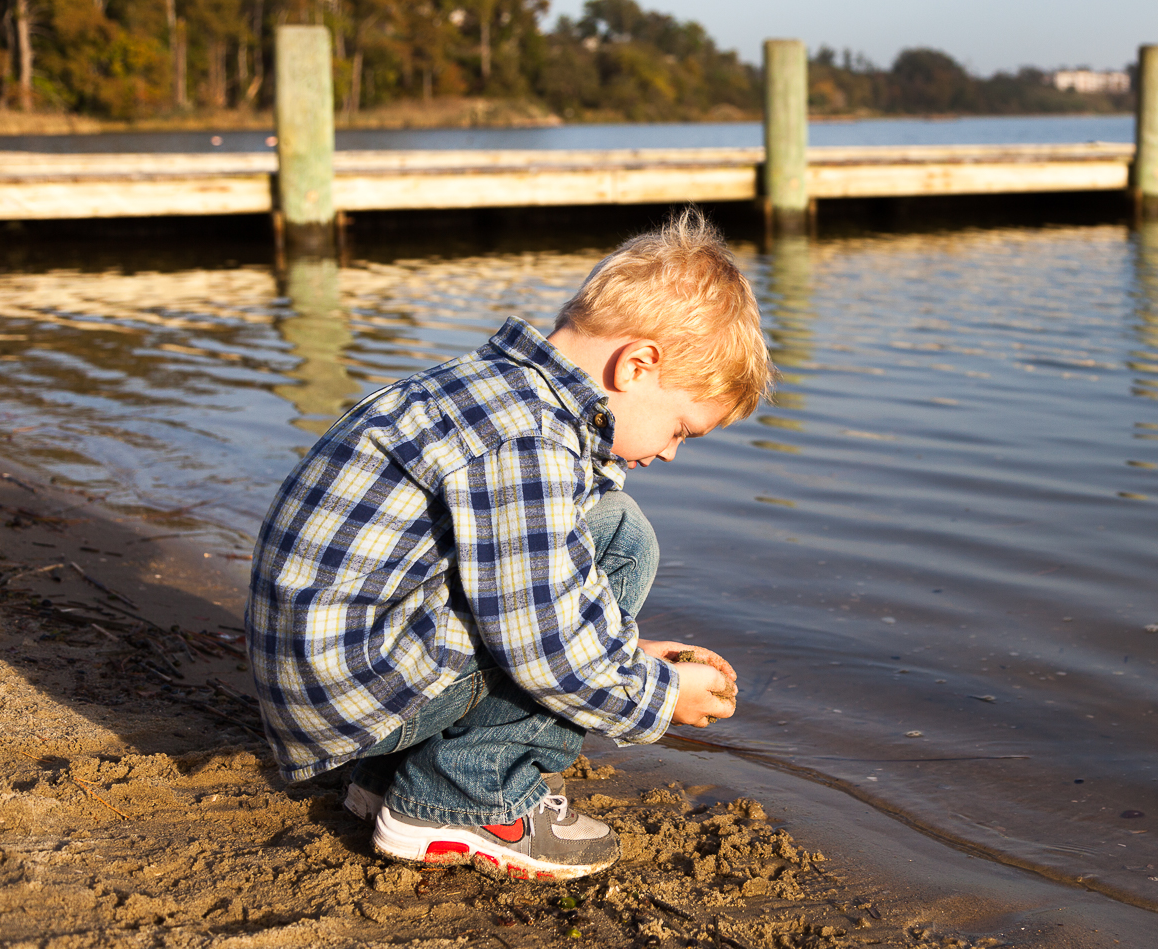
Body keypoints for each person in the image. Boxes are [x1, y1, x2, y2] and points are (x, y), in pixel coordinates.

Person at [245, 209, 769, 881]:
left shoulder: (494, 391)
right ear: (638, 365)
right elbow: (545, 639)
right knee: (621, 541)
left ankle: (389, 779)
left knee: (606, 527)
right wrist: (659, 695)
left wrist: (625, 649)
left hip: (329, 677)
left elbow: (516, 575)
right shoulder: (525, 439)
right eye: (681, 428)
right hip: (350, 699)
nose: (670, 451)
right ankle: (464, 798)